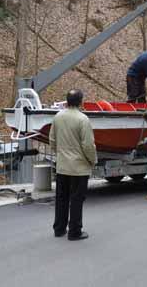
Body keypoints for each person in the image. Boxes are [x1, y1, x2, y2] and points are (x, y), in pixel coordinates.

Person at [49, 89, 97, 240]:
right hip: (79, 167)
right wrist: (93, 160)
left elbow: (52, 140)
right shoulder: (83, 119)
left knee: (61, 198)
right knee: (76, 200)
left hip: (62, 164)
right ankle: (75, 231)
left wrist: (60, 153)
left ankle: (59, 228)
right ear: (80, 101)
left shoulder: (58, 116)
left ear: (67, 100)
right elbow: (88, 145)